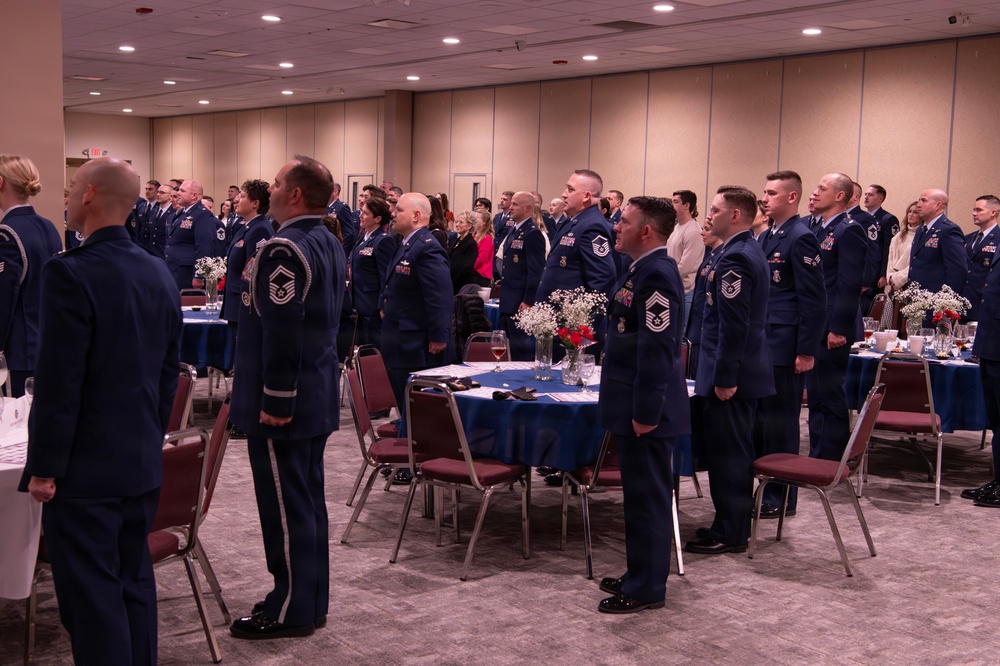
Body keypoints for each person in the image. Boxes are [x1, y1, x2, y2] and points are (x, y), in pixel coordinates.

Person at [20, 157, 181, 665]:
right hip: (140, 459)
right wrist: (150, 436)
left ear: (89, 194)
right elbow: (169, 374)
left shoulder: (71, 271)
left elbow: (59, 381)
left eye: (72, 186)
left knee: (91, 597)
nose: (67, 196)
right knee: (133, 581)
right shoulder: (157, 270)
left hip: (85, 469)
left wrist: (44, 467)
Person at [229, 155, 345, 640]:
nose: (270, 190)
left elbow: (282, 332)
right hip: (314, 392)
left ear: (295, 194)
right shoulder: (327, 238)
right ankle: (309, 600)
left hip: (286, 402)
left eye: (277, 184)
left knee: (285, 508)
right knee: (306, 502)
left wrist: (276, 400)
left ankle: (290, 608)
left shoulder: (284, 247)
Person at [596, 195, 688, 614]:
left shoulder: (657, 275)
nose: (616, 227)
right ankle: (639, 573)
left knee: (649, 499)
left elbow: (656, 350)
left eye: (625, 222)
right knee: (637, 497)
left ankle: (648, 588)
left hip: (649, 409)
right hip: (633, 401)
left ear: (646, 231)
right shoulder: (640, 269)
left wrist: (646, 412)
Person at [686, 186, 774, 555]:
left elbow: (734, 326)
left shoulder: (736, 256)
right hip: (725, 367)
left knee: (730, 455)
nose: (708, 215)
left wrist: (724, 377)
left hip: (732, 375)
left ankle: (732, 531)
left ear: (735, 215)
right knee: (724, 452)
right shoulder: (730, 250)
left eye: (715, 209)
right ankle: (725, 522)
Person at [754, 170, 826, 519]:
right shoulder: (769, 235)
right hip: (767, 340)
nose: (764, 198)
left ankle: (781, 498)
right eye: (765, 192)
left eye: (771, 193)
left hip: (786, 344)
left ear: (792, 197)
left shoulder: (801, 237)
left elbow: (814, 299)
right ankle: (767, 488)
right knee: (764, 422)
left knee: (781, 423)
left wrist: (806, 350)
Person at [805, 173, 867, 462]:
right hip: (816, 324)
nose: (815, 192)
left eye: (822, 188)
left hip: (833, 326)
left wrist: (839, 328)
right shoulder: (818, 228)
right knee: (816, 395)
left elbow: (849, 283)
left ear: (840, 196)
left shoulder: (849, 230)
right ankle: (817, 454)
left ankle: (832, 459)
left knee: (829, 395)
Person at [380, 193, 454, 415]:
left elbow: (439, 296)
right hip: (400, 340)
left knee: (417, 412)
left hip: (416, 345)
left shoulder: (427, 247)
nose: (392, 213)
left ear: (416, 215)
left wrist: (439, 336)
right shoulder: (406, 243)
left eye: (399, 210)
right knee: (405, 409)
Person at [537, 169, 617, 360]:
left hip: (572, 331)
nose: (564, 194)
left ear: (587, 196)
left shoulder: (592, 226)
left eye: (570, 189)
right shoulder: (573, 221)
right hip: (557, 322)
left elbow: (603, 279)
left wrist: (582, 326)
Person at [0, 153, 63, 396]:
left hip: (17, 351)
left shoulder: (7, 232)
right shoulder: (48, 226)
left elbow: (4, 300)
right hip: (47, 342)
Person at [221, 179, 274, 335]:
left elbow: (253, 272)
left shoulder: (260, 230)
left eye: (242, 196)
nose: (236, 200)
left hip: (245, 305)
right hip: (236, 303)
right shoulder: (248, 226)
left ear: (255, 203)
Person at [498, 192, 546, 361]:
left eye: (515, 204)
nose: (510, 207)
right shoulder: (514, 229)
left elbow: (536, 271)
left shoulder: (532, 233)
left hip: (520, 301)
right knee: (507, 348)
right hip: (508, 298)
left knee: (519, 349)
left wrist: (528, 300)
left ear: (527, 208)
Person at [164, 179, 226, 290]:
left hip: (186, 273)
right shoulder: (183, 213)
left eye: (182, 191)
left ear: (194, 195)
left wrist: (199, 276)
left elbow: (204, 246)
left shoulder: (202, 215)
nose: (178, 193)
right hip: (174, 269)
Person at [351, 196, 396, 348]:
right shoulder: (363, 237)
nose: (360, 215)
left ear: (377, 218)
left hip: (372, 306)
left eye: (365, 213)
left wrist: (383, 304)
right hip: (359, 303)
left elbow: (386, 276)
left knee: (372, 349)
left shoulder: (383, 240)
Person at [908, 188, 968, 298]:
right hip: (917, 296)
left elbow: (957, 271)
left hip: (936, 298)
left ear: (938, 205)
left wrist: (947, 300)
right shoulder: (921, 229)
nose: (918, 205)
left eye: (924, 201)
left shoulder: (949, 230)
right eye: (919, 200)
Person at [668, 190, 704, 331]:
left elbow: (684, 268)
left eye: (675, 202)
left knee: (680, 335)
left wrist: (663, 278)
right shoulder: (676, 227)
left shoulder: (693, 231)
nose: (672, 205)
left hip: (684, 291)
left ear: (687, 205)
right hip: (672, 287)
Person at [964, 195, 1000, 322]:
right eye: (974, 210)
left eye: (979, 210)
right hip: (965, 302)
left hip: (987, 303)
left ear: (993, 212)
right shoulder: (968, 238)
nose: (974, 213)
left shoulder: (998, 238)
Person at [885, 202, 920, 293]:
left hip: (911, 283)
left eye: (915, 212)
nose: (911, 214)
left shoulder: (922, 237)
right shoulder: (899, 236)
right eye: (909, 211)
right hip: (894, 284)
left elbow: (916, 263)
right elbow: (891, 259)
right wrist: (891, 278)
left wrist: (899, 280)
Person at [448, 210, 480, 293]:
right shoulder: (457, 240)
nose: (457, 225)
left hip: (462, 285)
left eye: (461, 222)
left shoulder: (471, 244)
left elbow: (466, 267)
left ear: (469, 226)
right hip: (452, 282)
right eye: (457, 222)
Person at [471, 209, 494, 286]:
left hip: (481, 275)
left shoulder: (487, 238)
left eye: (477, 218)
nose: (474, 220)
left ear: (484, 222)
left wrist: (468, 266)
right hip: (473, 273)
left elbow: (481, 259)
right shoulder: (473, 236)